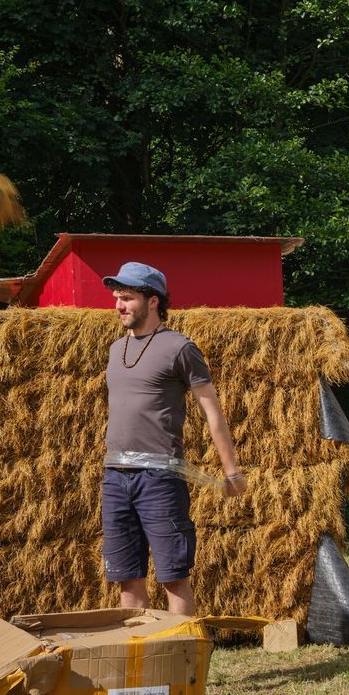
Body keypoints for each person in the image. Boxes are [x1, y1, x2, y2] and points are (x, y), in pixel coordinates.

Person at [100, 261, 246, 615]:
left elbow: (212, 412)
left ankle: (180, 650)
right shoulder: (115, 350)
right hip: (115, 478)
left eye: (127, 298)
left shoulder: (180, 348)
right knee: (127, 579)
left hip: (160, 481)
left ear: (153, 301)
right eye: (117, 298)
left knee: (173, 577)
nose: (119, 305)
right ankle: (141, 650)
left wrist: (232, 472)